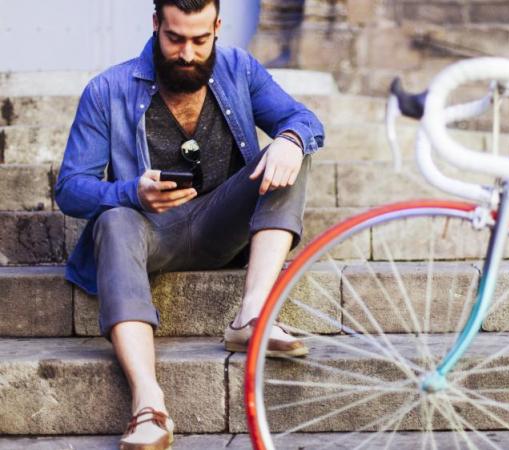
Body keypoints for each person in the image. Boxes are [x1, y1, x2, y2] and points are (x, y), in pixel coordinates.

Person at [55, 0, 324, 448]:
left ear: (218, 26)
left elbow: (303, 118)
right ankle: (148, 404)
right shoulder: (107, 89)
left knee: (288, 151)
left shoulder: (239, 66)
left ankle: (252, 316)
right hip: (147, 233)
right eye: (175, 38)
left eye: (200, 40)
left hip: (223, 228)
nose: (187, 53)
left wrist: (292, 140)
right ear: (156, 23)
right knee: (114, 220)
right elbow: (70, 189)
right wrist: (130, 193)